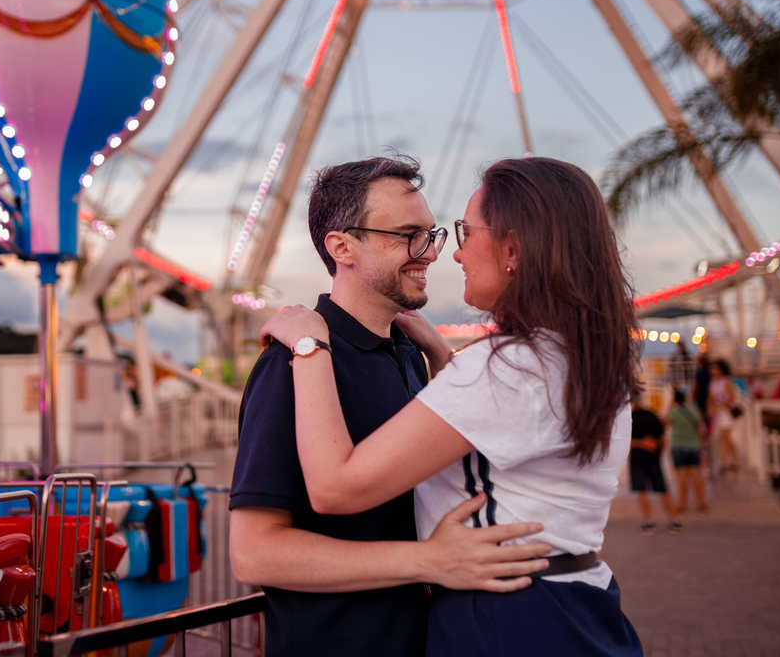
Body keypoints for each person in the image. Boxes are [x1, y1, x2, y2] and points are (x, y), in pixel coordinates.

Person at [262, 157, 642, 656]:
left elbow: (334, 487)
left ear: (513, 248)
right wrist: (443, 357)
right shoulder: (581, 353)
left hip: (506, 614)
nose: (452, 255)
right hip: (579, 600)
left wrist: (310, 347)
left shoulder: (506, 367)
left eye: (463, 232)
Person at [230, 155, 551, 657]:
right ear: (342, 246)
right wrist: (425, 561)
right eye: (408, 235)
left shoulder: (408, 353)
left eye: (432, 234)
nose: (431, 253)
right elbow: (253, 553)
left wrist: (440, 355)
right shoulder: (295, 362)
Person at [629, 399, 681, 535]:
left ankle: (648, 522)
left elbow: (625, 442)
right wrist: (659, 453)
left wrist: (640, 443)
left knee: (642, 490)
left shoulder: (630, 418)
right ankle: (673, 520)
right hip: (653, 458)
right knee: (663, 489)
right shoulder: (653, 416)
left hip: (637, 459)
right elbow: (663, 439)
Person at [666, 389, 707, 514]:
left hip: (678, 446)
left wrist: (670, 405)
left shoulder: (674, 412)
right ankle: (702, 503)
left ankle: (682, 504)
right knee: (695, 474)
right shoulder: (694, 411)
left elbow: (665, 421)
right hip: (693, 446)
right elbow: (701, 429)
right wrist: (701, 445)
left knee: (682, 477)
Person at [706, 359, 740, 472]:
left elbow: (732, 397)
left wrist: (720, 405)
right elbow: (710, 397)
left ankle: (723, 462)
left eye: (715, 368)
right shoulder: (713, 382)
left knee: (724, 437)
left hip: (726, 412)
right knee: (726, 438)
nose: (712, 370)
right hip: (719, 412)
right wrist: (710, 408)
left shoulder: (726, 381)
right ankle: (735, 459)